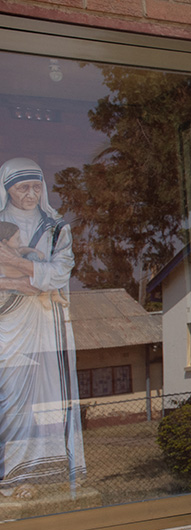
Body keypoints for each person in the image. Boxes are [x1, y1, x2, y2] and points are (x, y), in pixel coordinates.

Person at [0, 158, 85, 500]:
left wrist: (17, 265)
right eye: (23, 187)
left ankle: (46, 474)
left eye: (36, 186)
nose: (31, 194)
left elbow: (60, 272)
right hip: (8, 324)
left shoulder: (55, 227)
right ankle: (10, 475)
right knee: (11, 394)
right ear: (7, 190)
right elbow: (41, 277)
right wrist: (31, 276)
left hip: (48, 323)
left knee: (50, 395)